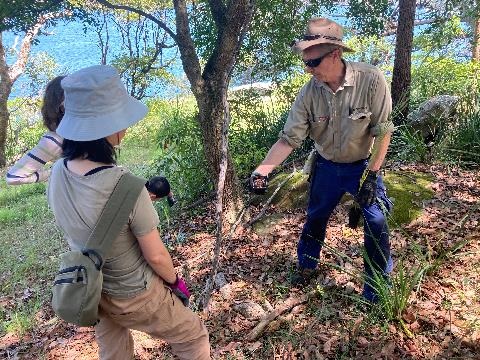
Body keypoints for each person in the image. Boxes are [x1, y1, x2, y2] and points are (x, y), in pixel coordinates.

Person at [47, 65, 210, 360]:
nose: (124, 127)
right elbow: (157, 256)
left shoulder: (58, 172)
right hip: (134, 293)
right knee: (192, 334)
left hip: (92, 289)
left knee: (114, 351)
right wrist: (176, 283)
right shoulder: (127, 186)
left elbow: (86, 214)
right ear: (106, 128)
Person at [250, 18, 394, 302]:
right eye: (305, 62)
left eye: (313, 62)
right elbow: (289, 139)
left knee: (376, 222)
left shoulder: (371, 79)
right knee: (315, 217)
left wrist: (373, 176)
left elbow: (383, 130)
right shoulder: (308, 94)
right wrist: (261, 171)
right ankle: (306, 265)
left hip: (362, 167)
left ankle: (376, 289)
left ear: (335, 54)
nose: (308, 69)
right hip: (326, 167)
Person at [6, 76, 65, 185]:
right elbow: (13, 177)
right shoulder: (55, 140)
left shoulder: (55, 139)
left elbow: (14, 177)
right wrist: (55, 171)